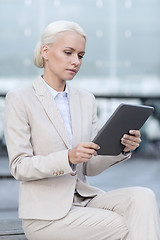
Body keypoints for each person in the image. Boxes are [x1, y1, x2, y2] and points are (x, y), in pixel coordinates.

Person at [4, 20, 160, 240]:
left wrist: (121, 149)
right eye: (68, 52)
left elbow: (89, 167)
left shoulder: (86, 100)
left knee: (143, 197)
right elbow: (19, 166)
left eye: (80, 55)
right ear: (45, 51)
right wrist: (67, 157)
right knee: (129, 224)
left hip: (85, 200)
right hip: (46, 216)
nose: (75, 61)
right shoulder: (20, 99)